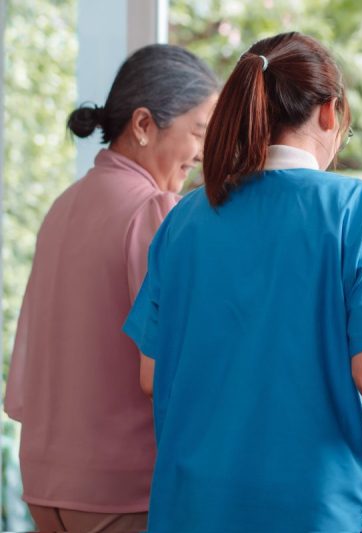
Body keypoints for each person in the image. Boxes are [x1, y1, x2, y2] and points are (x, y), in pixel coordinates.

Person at [122, 32, 362, 533]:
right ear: (330, 113)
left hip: (190, 506)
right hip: (309, 510)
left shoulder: (183, 220)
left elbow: (151, 376)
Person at [3, 44, 218, 532]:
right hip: (121, 487)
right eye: (199, 131)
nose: (203, 153)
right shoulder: (155, 210)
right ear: (143, 124)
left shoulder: (63, 205)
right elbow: (170, 362)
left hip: (44, 481)